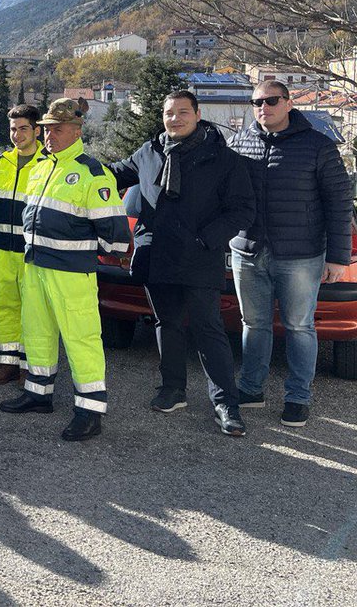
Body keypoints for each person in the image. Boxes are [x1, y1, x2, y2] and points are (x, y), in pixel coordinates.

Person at [109, 91, 254, 436]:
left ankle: (225, 403)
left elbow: (242, 209)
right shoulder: (149, 152)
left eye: (182, 112)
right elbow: (112, 175)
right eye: (169, 113)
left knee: (208, 329)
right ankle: (172, 389)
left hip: (198, 256)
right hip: (156, 255)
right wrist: (75, 167)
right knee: (167, 323)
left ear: (198, 114)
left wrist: (206, 238)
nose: (175, 119)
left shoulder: (222, 159)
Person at [0, 98, 129, 441]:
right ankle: (38, 394)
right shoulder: (41, 167)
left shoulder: (92, 172)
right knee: (37, 331)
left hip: (71, 273)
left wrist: (83, 254)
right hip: (36, 267)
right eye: (45, 129)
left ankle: (89, 411)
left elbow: (116, 236)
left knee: (81, 339)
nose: (48, 135)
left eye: (57, 129)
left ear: (77, 130)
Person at [229, 80, 352, 428]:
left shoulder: (318, 146)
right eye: (256, 103)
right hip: (249, 252)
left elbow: (339, 202)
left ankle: (298, 398)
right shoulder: (239, 142)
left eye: (270, 101)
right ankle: (251, 389)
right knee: (253, 325)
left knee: (299, 326)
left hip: (301, 255)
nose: (262, 108)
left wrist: (338, 257)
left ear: (287, 102)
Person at [0, 105, 42, 384]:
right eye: (12, 129)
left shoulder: (47, 165)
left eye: (23, 128)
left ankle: (28, 366)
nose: (17, 134)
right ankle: (6, 364)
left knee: (32, 310)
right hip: (2, 251)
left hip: (32, 253)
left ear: (37, 130)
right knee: (4, 306)